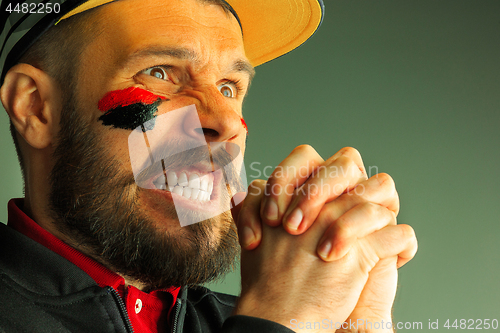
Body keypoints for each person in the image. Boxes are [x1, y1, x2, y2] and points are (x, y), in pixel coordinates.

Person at [0, 0, 418, 332]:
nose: (225, 121)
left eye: (228, 86)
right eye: (160, 72)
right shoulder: (274, 318)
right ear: (36, 107)